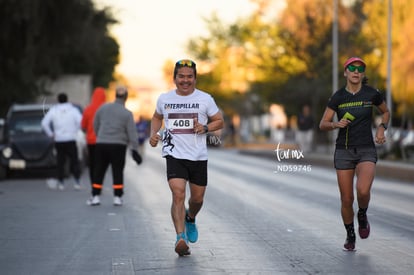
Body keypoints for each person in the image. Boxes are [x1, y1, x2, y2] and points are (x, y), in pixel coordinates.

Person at [149, 59, 224, 256]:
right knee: (178, 194)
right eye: (181, 76)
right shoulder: (164, 99)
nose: (185, 80)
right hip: (174, 154)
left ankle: (191, 218)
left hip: (198, 157)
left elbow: (219, 121)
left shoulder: (205, 99)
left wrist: (206, 127)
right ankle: (180, 237)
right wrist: (153, 134)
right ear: (174, 78)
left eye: (189, 77)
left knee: (197, 199)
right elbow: (157, 117)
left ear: (195, 79)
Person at [319, 57, 390, 251]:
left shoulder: (371, 93)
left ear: (363, 74)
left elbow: (385, 112)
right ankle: (350, 235)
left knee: (363, 191)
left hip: (366, 148)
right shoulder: (338, 97)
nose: (356, 71)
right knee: (347, 199)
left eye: (360, 69)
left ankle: (362, 214)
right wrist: (335, 124)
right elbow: (323, 123)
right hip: (344, 150)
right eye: (352, 68)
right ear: (346, 72)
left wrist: (381, 128)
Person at [86, 86, 142, 206]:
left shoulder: (103, 108)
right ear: (125, 97)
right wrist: (135, 149)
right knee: (117, 171)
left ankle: (95, 196)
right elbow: (132, 132)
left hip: (102, 144)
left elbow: (95, 124)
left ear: (115, 95)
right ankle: (117, 197)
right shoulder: (127, 114)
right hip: (119, 145)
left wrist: (100, 136)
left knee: (99, 170)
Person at [41, 93, 83, 190]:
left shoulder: (54, 110)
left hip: (59, 140)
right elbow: (81, 122)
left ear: (58, 100)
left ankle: (61, 183)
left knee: (60, 162)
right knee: (74, 161)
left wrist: (51, 134)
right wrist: (75, 131)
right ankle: (77, 182)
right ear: (67, 99)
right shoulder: (73, 110)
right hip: (71, 139)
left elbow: (44, 123)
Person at [81, 87, 106, 186]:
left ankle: (93, 183)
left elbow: (83, 125)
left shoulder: (88, 109)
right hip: (104, 141)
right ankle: (99, 183)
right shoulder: (106, 109)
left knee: (92, 163)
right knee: (101, 164)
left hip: (91, 141)